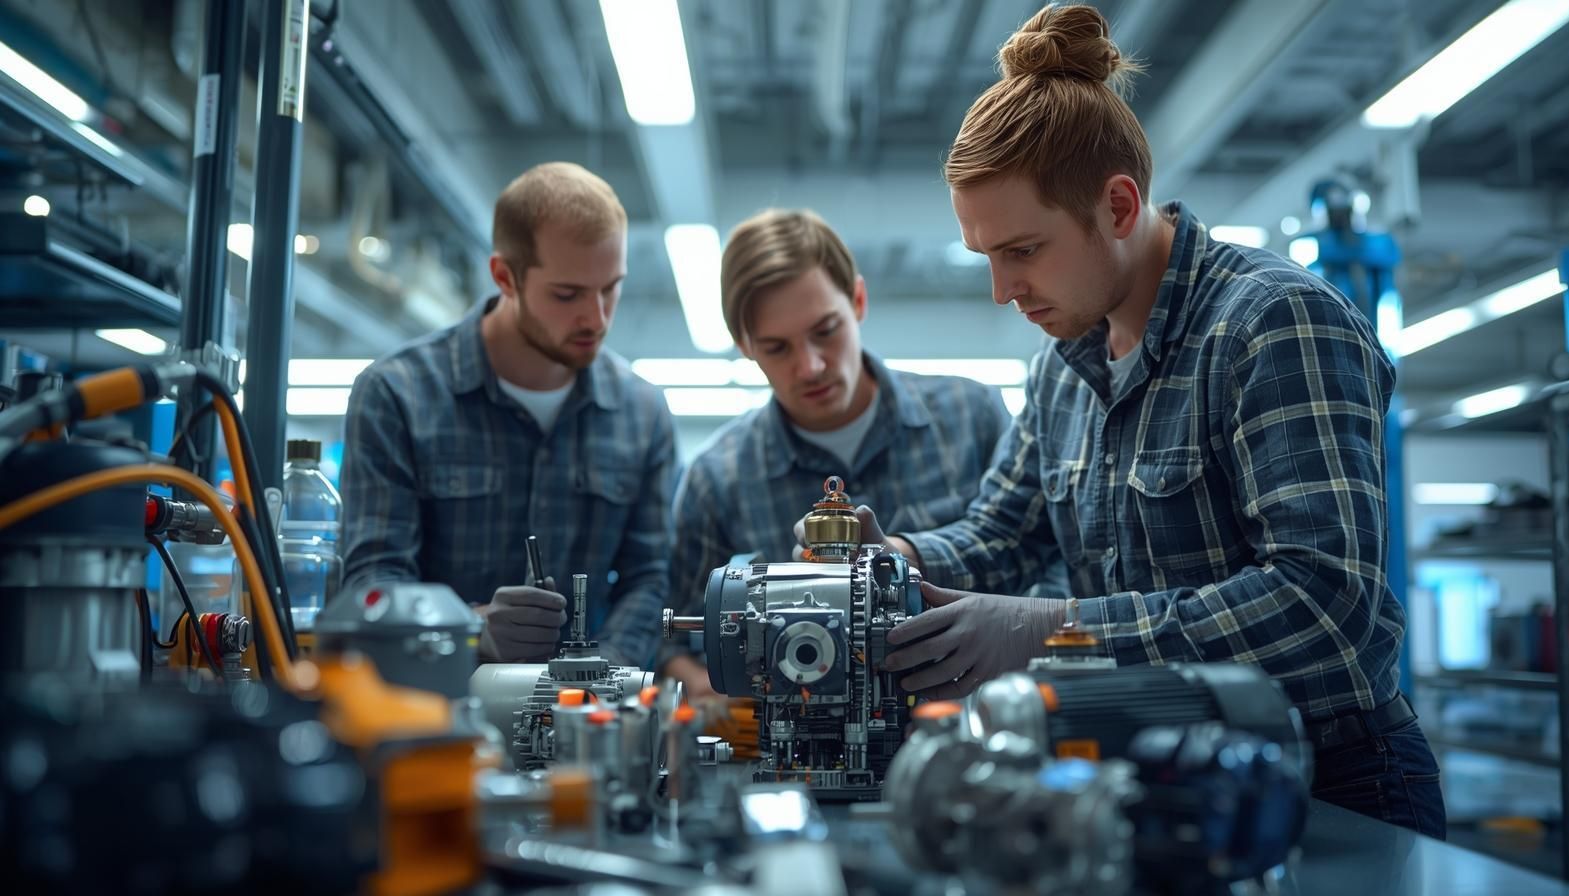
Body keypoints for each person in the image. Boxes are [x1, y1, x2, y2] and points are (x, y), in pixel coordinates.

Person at [804, 4, 1445, 837]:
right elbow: (1005, 532)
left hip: (1326, 783)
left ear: (1116, 205)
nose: (1003, 290)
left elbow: (1322, 606)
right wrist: (896, 560)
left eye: (1022, 251)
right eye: (987, 258)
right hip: (1149, 780)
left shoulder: (1275, 324)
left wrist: (1052, 631)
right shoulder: (1064, 367)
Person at [658, 208, 1014, 698]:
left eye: (825, 330)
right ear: (744, 346)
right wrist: (716, 694)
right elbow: (675, 642)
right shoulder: (716, 483)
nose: (810, 366)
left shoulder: (974, 418)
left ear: (859, 300)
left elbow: (1044, 572)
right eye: (777, 348)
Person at [341, 162, 675, 669]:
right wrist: (469, 629)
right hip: (437, 709)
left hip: (589, 726)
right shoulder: (397, 395)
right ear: (505, 276)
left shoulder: (642, 414)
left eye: (611, 287)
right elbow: (374, 582)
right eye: (567, 294)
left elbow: (649, 579)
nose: (598, 317)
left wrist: (594, 680)